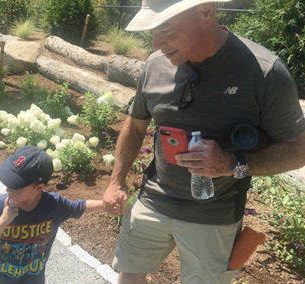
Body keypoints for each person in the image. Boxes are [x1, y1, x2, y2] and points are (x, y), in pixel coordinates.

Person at [103, 1, 305, 283]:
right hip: (152, 201)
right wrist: (116, 182)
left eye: (166, 29)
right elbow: (134, 127)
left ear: (207, 13)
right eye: (153, 31)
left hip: (214, 217)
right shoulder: (154, 65)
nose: (156, 42)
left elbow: (299, 149)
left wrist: (235, 165)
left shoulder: (265, 72)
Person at [0, 146, 108, 284]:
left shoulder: (54, 205)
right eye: (8, 181)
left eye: (15, 185)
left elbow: (79, 206)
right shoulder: (2, 204)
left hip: (33, 280)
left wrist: (105, 205)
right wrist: (3, 221)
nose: (7, 188)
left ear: (39, 187)